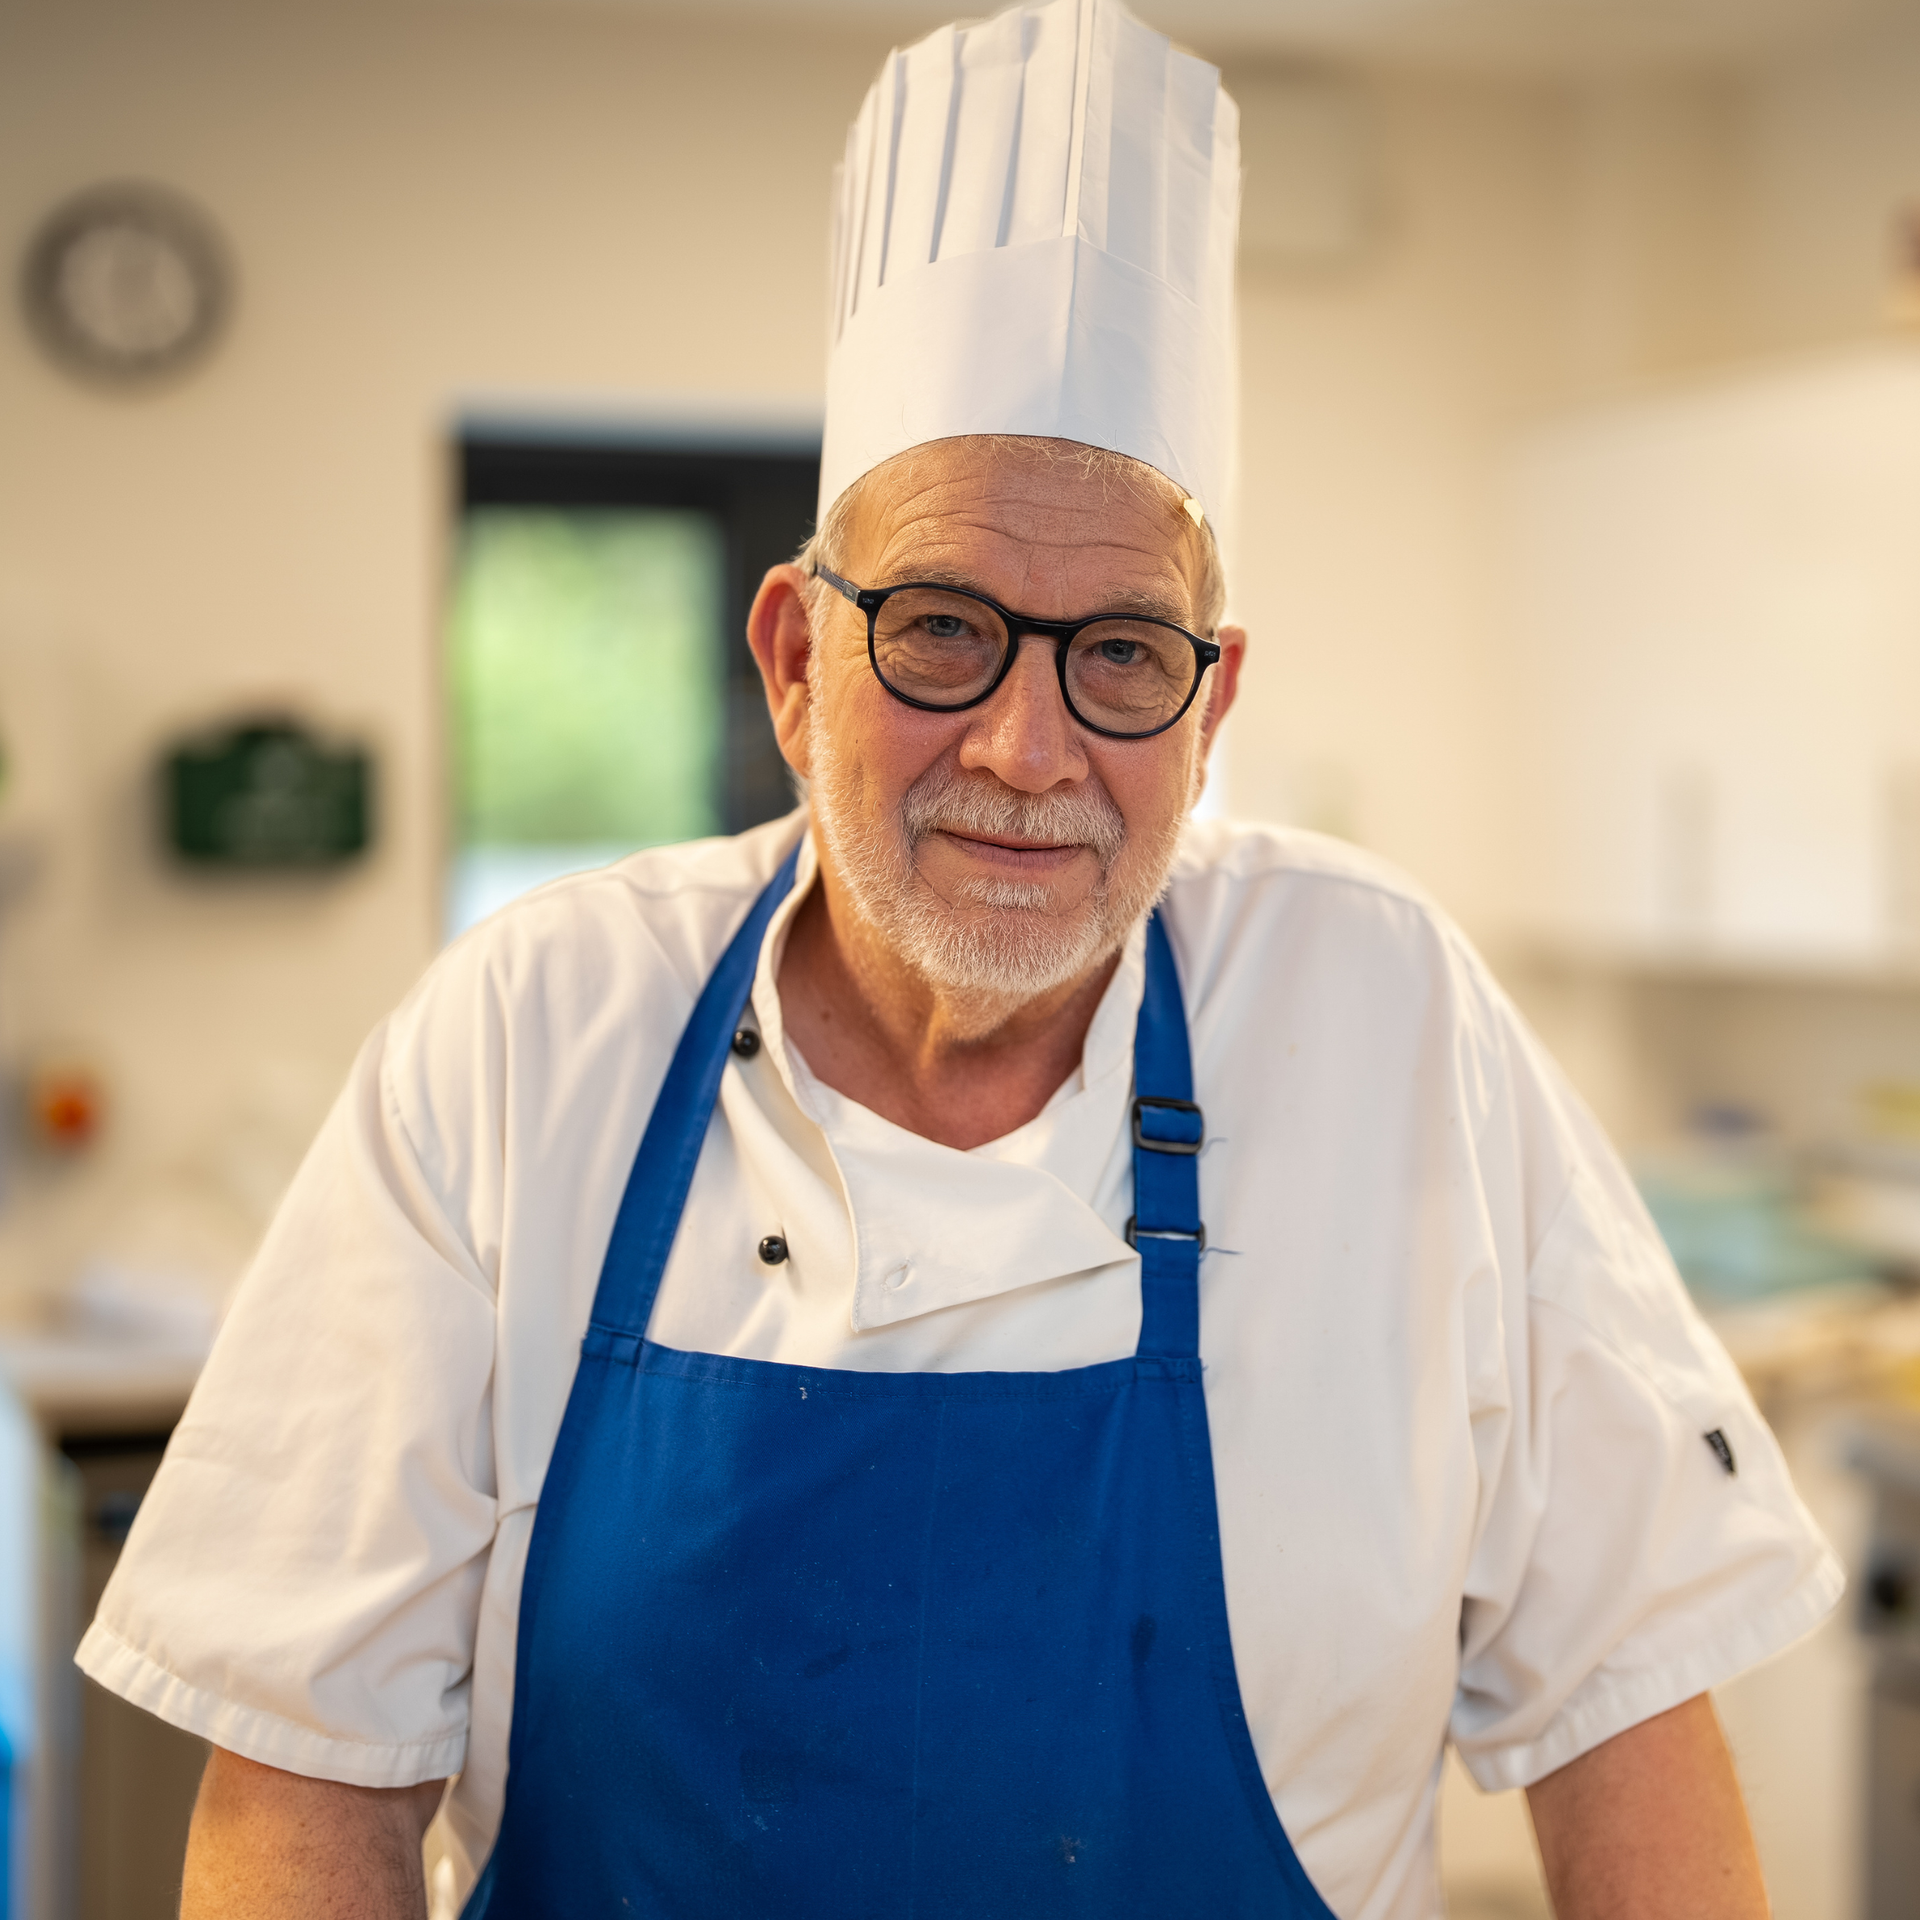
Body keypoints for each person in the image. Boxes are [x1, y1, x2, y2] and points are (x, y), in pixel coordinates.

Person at [82, 3, 1840, 1916]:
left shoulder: (1390, 1021)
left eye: (1123, 655)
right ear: (793, 659)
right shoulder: (528, 1037)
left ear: (1210, 705)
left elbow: (1627, 1715)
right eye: (940, 628)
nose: (1026, 748)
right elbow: (302, 1787)